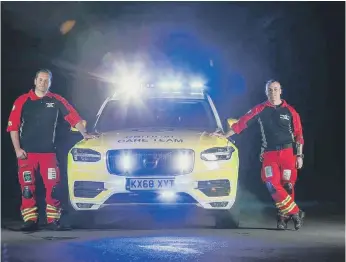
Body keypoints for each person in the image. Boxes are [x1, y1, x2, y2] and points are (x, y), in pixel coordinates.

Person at [7, 69, 96, 231]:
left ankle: (52, 220)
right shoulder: (22, 101)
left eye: (46, 80)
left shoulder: (56, 100)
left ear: (50, 83)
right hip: (27, 153)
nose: (43, 83)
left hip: (49, 154)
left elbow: (73, 117)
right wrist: (17, 149)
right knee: (27, 188)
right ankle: (30, 220)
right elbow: (13, 127)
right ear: (35, 81)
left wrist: (84, 134)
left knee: (53, 188)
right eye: (40, 80)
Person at [211, 79, 305, 230]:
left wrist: (299, 155)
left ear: (281, 91)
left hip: (288, 153)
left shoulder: (291, 111)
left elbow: (299, 134)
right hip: (269, 154)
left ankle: (283, 218)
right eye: (270, 90)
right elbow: (242, 123)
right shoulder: (260, 109)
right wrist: (225, 135)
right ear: (266, 92)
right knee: (272, 183)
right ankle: (296, 211)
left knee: (287, 186)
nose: (273, 93)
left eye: (275, 89)